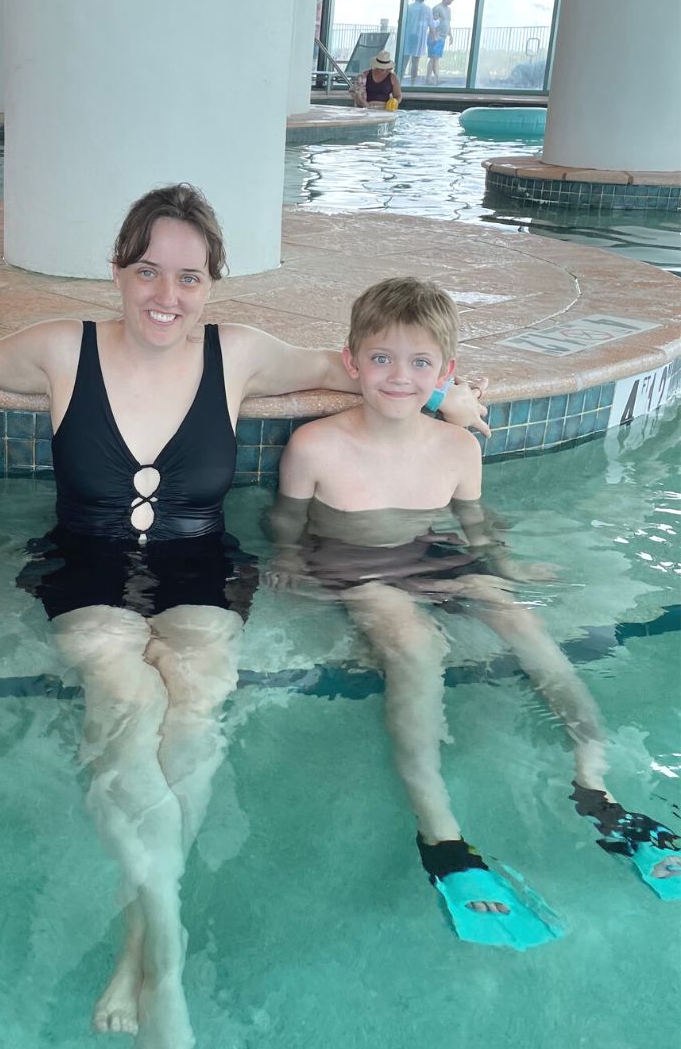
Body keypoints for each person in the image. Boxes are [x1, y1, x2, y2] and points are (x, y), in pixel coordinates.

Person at [0, 186, 489, 1049]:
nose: (165, 295)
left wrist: (450, 392)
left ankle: (139, 938)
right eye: (147, 270)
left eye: (188, 276)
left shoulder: (241, 354)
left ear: (213, 283)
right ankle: (166, 958)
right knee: (128, 696)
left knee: (196, 709)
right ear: (118, 267)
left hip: (200, 569)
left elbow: (361, 368)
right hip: (89, 566)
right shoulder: (63, 350)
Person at [270, 276, 680, 950]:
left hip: (431, 556)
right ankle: (443, 836)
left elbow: (475, 526)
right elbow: (289, 522)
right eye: (381, 359)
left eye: (419, 363)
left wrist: (505, 567)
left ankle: (595, 784)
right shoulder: (315, 445)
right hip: (355, 566)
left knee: (519, 618)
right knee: (414, 645)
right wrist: (286, 559)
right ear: (352, 362)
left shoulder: (458, 447)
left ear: (445, 373)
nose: (399, 377)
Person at [400, 0, 433, 81]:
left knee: (404, 61)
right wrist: (438, 21)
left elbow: (402, 21)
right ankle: (413, 82)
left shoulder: (409, 7)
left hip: (407, 35)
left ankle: (399, 81)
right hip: (419, 37)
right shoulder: (427, 9)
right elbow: (431, 23)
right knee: (415, 62)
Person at [426, 0, 456, 85]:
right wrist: (434, 36)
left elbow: (447, 23)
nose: (452, 1)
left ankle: (430, 78)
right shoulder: (437, 8)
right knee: (434, 58)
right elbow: (432, 23)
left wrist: (450, 35)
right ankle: (434, 78)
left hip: (442, 37)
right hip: (436, 37)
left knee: (435, 58)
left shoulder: (449, 10)